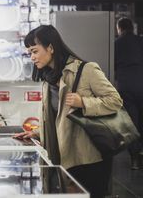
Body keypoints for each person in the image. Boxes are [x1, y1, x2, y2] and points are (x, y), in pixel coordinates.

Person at [13, 25, 123, 198]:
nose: (32, 57)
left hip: (88, 158)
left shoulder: (86, 70)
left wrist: (84, 102)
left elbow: (115, 101)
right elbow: (58, 118)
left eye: (35, 51)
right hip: (62, 157)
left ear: (50, 47)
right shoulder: (48, 78)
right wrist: (37, 133)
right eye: (30, 53)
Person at [115, 17, 143, 169]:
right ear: (132, 28)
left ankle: (135, 159)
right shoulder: (140, 41)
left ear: (119, 29)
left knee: (131, 123)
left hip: (125, 86)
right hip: (142, 83)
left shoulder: (116, 44)